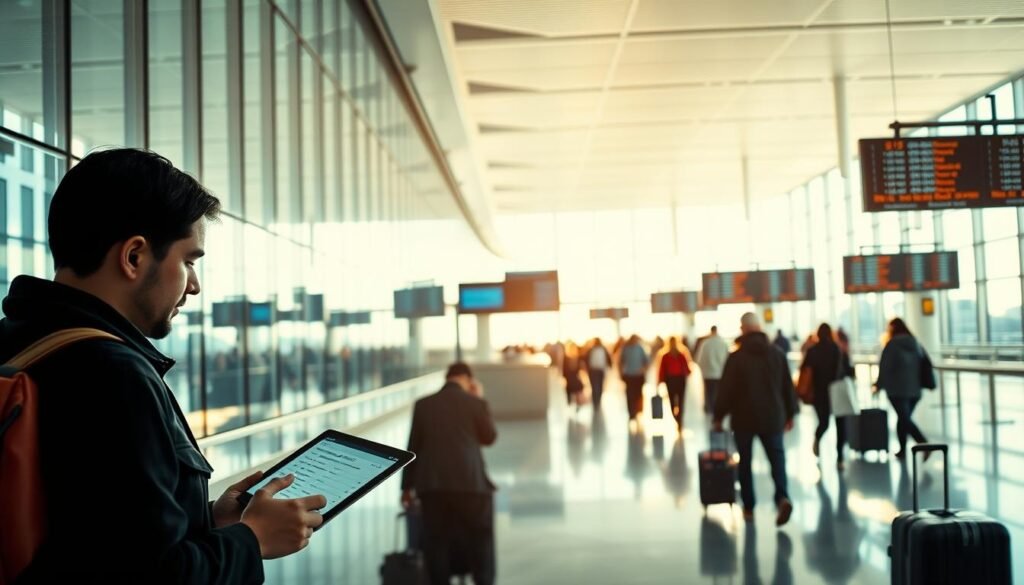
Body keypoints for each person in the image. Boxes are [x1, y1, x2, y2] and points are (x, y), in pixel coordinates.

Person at [0, 149, 324, 583]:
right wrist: (253, 539)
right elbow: (154, 576)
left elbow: (94, 538)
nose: (194, 285)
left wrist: (208, 521)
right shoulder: (114, 374)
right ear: (134, 256)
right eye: (188, 261)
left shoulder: (15, 338)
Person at [401, 362, 497, 585]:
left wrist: (406, 487)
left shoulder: (424, 404)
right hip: (471, 485)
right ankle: (483, 580)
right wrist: (480, 398)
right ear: (467, 379)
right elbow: (489, 437)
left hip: (432, 487)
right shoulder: (474, 403)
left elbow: (413, 447)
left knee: (436, 544)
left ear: (448, 378)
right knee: (480, 541)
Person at [713, 312, 797, 525]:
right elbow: (787, 386)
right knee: (777, 459)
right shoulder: (777, 354)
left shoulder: (736, 357)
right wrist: (790, 413)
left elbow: (726, 391)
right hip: (773, 417)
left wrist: (718, 416)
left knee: (745, 462)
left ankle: (749, 507)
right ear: (759, 328)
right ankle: (782, 498)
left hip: (744, 419)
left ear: (743, 329)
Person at [800, 323, 855, 470]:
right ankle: (840, 459)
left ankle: (817, 438)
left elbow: (804, 370)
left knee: (823, 422)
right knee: (840, 425)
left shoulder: (812, 351)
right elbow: (847, 370)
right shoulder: (837, 349)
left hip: (819, 393)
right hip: (836, 391)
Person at [875, 318, 929, 459]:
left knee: (904, 419)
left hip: (897, 390)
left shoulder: (892, 345)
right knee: (903, 418)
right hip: (915, 390)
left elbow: (885, 367)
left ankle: (923, 443)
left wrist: (878, 384)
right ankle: (902, 450)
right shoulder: (915, 343)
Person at [657, 336, 691, 431]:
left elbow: (686, 367)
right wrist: (660, 380)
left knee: (676, 400)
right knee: (677, 400)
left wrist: (660, 380)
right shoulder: (669, 355)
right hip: (675, 379)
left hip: (675, 379)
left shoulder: (680, 354)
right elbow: (662, 369)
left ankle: (678, 419)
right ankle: (678, 419)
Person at [695, 325, 729, 416]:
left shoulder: (705, 343)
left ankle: (709, 409)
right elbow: (728, 359)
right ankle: (717, 409)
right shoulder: (723, 343)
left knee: (709, 392)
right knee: (719, 392)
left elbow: (699, 359)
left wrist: (704, 369)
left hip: (708, 373)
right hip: (720, 373)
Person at [619, 335, 650, 421]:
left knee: (638, 394)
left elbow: (646, 361)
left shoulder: (640, 348)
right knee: (629, 394)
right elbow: (620, 361)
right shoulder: (625, 348)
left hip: (638, 375)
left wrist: (643, 370)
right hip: (629, 375)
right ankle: (631, 412)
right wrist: (621, 373)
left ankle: (638, 410)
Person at [584, 337, 613, 408]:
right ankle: (595, 401)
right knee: (595, 386)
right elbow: (585, 359)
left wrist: (610, 365)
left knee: (599, 385)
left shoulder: (601, 349)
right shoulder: (591, 350)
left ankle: (597, 400)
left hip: (599, 370)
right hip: (593, 370)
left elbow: (608, 358)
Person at [562, 341, 585, 406]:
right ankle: (573, 407)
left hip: (572, 380)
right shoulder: (568, 358)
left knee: (573, 396)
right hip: (571, 380)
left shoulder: (575, 358)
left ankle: (574, 407)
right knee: (571, 396)